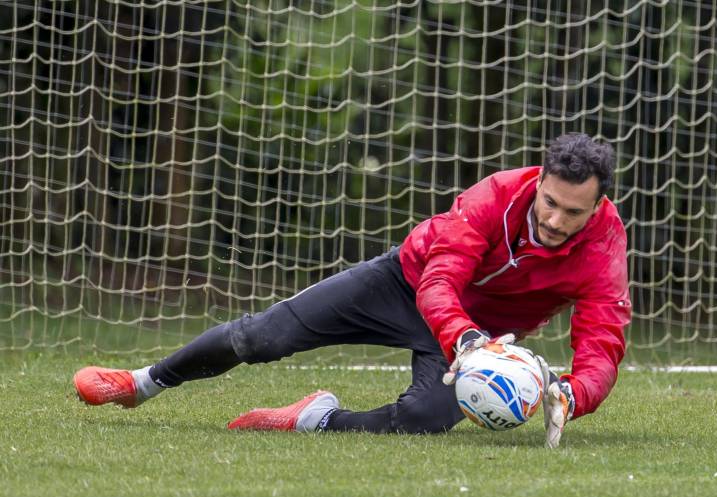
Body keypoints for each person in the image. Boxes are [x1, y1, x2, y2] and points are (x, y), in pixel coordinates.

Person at [73, 132, 631, 448]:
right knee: (263, 337)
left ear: (598, 204)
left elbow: (603, 339)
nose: (557, 220)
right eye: (550, 203)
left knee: (423, 422)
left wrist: (572, 395)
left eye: (573, 212)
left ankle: (315, 417)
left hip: (478, 338)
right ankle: (141, 383)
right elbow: (441, 278)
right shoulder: (496, 194)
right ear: (538, 184)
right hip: (405, 284)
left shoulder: (605, 245)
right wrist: (463, 339)